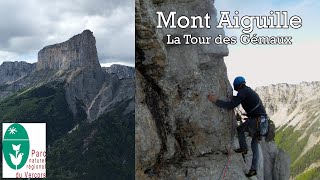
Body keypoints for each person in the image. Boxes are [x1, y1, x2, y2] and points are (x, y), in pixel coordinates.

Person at [207, 76, 268, 177]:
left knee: (240, 129)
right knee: (254, 146)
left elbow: (231, 105)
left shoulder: (243, 91)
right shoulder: (248, 90)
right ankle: (253, 169)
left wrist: (215, 100)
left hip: (256, 121)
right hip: (262, 123)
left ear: (236, 85)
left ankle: (243, 148)